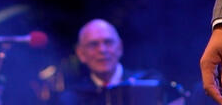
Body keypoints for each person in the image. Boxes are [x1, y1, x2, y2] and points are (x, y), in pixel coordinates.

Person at [57, 19, 185, 105]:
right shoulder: (71, 98)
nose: (102, 50)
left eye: (108, 42)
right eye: (93, 44)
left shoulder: (150, 81)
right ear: (81, 53)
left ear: (120, 47)